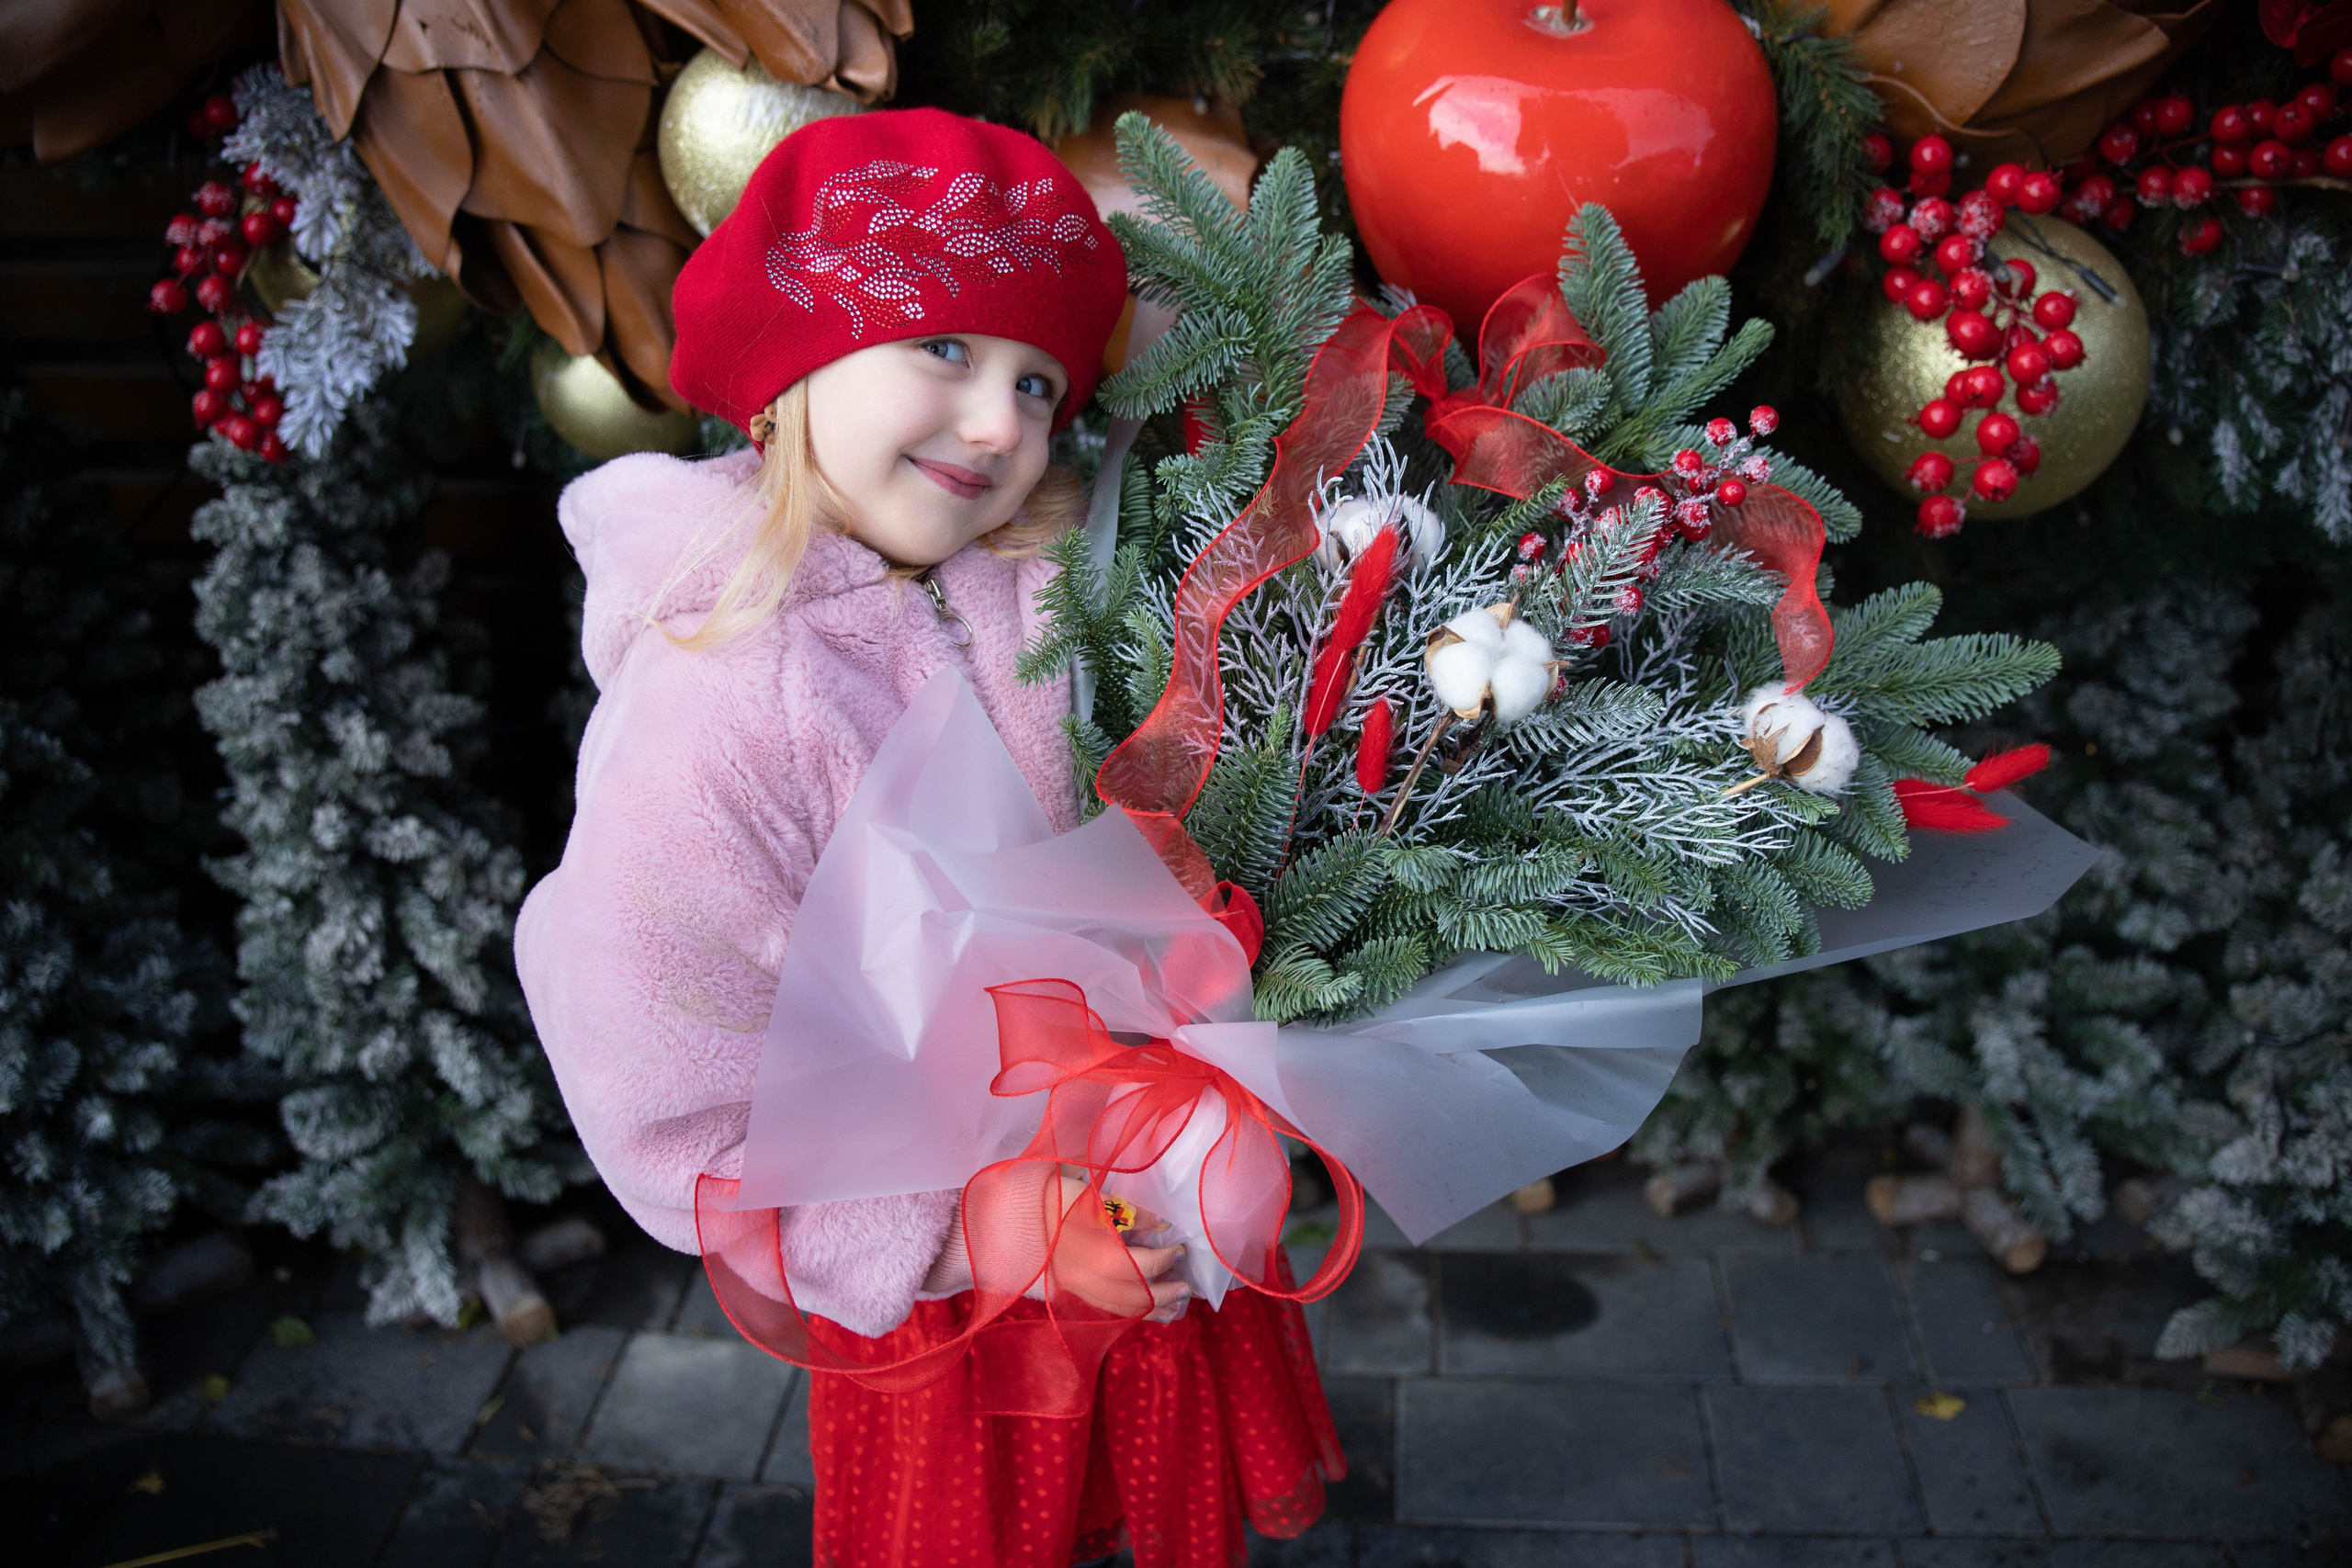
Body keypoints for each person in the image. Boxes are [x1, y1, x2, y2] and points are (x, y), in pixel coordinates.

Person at [515, 107, 1341, 1568]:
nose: (1001, 425)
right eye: (945, 347)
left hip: (1141, 1221)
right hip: (963, 1310)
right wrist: (965, 1229)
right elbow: (668, 1089)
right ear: (792, 366)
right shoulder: (722, 702)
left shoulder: (1051, 591)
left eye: (1039, 384)